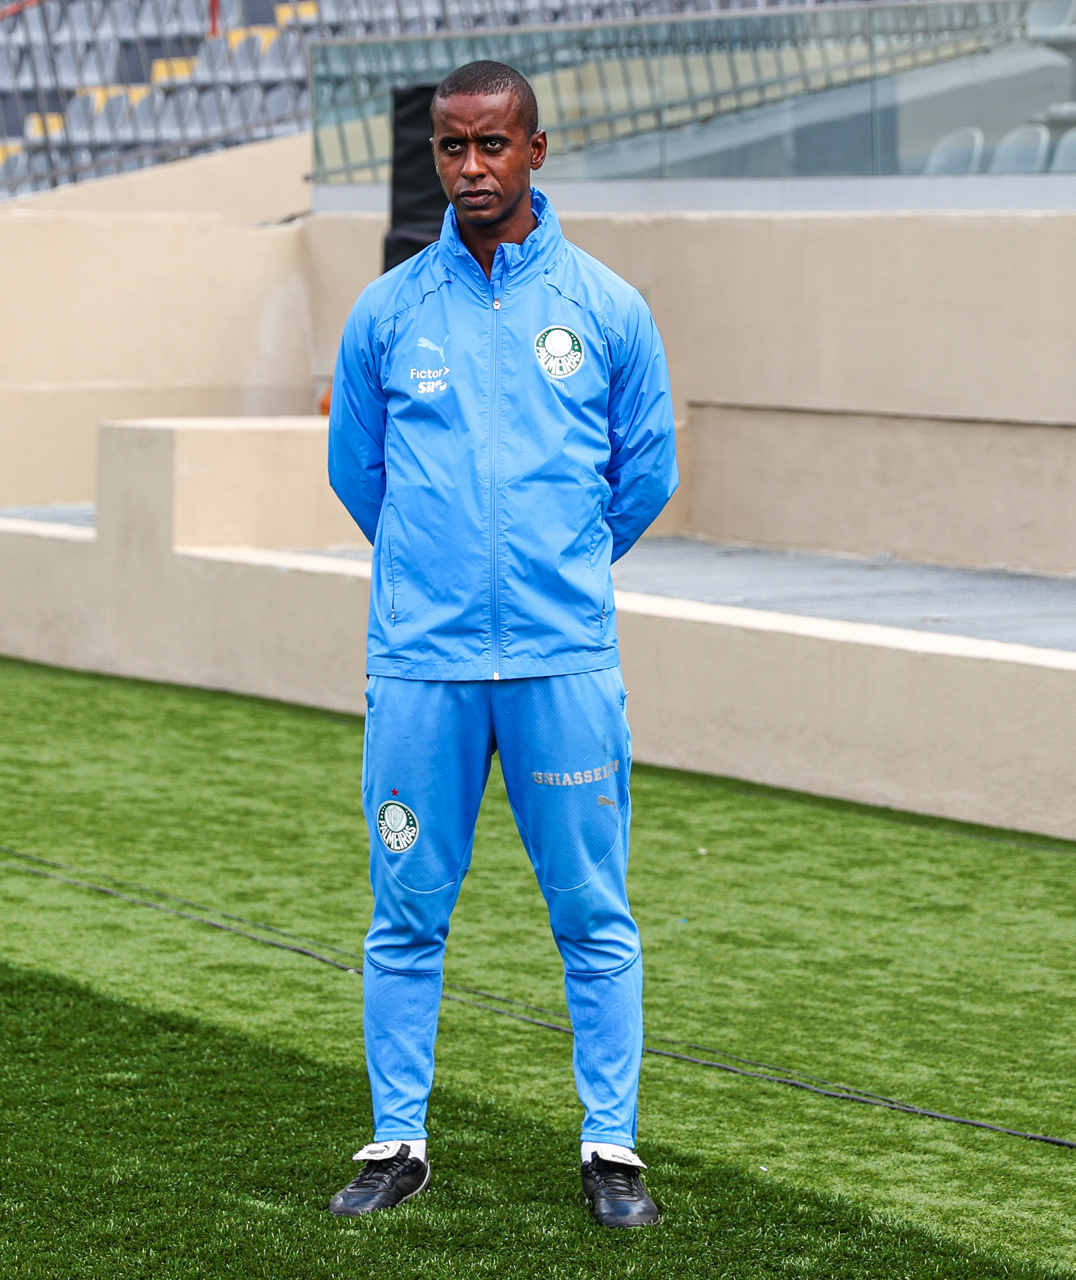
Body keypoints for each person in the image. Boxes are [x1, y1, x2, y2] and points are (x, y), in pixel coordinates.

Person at [326, 59, 677, 1228]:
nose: (470, 167)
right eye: (450, 147)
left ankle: (611, 1146)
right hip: (421, 666)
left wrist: (550, 568)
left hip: (558, 661)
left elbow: (644, 474)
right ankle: (396, 1138)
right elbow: (358, 473)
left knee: (592, 911)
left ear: (535, 149)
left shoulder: (607, 308)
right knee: (403, 910)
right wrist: (437, 572)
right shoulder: (386, 313)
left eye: (491, 144)